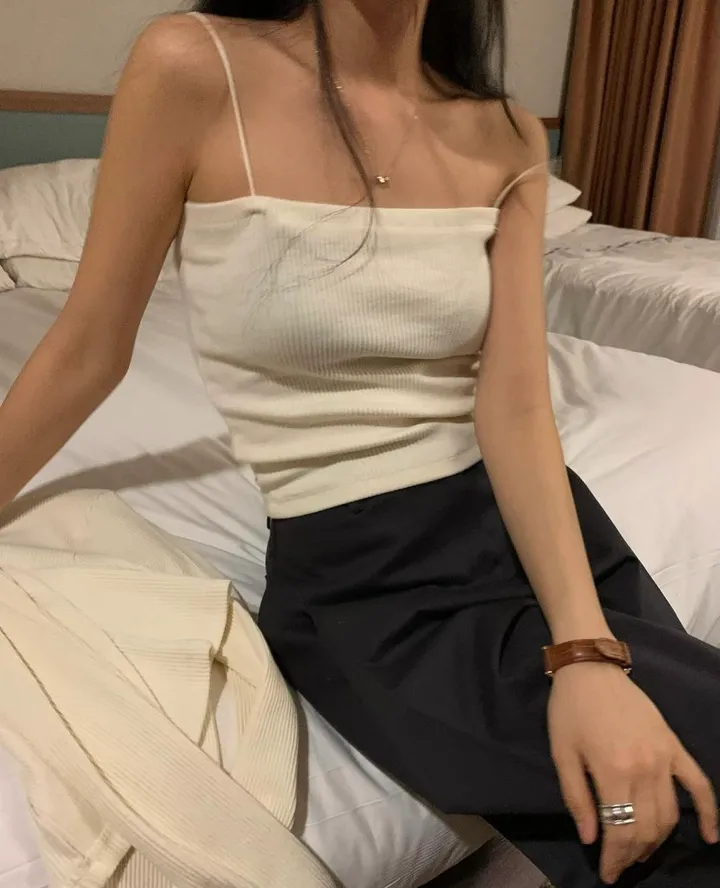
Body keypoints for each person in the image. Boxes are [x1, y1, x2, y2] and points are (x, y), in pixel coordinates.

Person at [0, 2, 718, 885]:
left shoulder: (505, 133)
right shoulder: (194, 63)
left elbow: (517, 406)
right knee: (666, 797)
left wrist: (584, 651)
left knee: (662, 818)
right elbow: (87, 349)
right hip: (366, 586)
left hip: (539, 533)